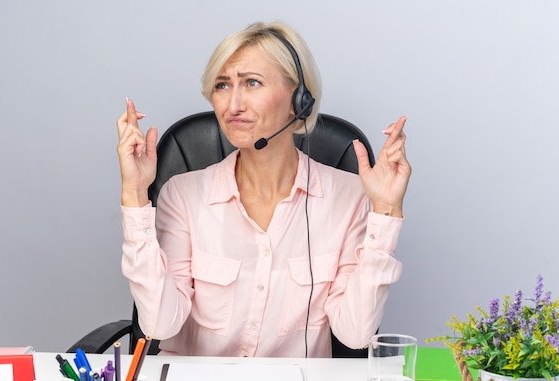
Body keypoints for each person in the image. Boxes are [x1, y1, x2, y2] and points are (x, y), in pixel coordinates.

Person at [116, 21, 411, 358]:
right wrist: (135, 194)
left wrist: (386, 211)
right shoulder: (182, 195)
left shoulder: (349, 196)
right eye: (223, 85)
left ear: (298, 100)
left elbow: (356, 334)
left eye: (252, 83)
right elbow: (158, 325)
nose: (233, 105)